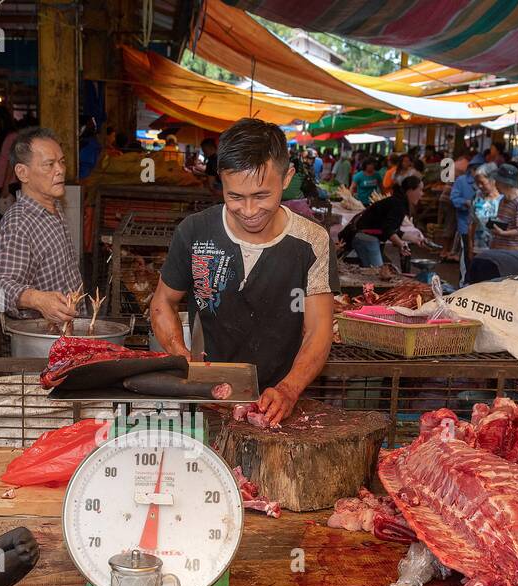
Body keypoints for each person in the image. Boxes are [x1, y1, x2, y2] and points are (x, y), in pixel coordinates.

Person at [149, 117, 338, 425]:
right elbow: (162, 303)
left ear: (287, 177)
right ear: (221, 182)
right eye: (235, 196)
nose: (249, 211)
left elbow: (318, 329)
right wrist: (180, 354)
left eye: (261, 195)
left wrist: (289, 389)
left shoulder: (312, 240)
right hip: (207, 398)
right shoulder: (194, 231)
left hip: (280, 401)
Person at [0, 127, 85, 329]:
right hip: (42, 343)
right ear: (22, 173)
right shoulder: (19, 222)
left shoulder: (53, 209)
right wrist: (38, 300)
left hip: (66, 334)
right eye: (49, 165)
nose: (59, 170)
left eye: (61, 161)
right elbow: (0, 288)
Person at [339, 174, 424, 268]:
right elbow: (388, 230)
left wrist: (415, 239)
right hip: (364, 237)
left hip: (365, 236)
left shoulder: (398, 202)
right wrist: (400, 244)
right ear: (410, 190)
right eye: (420, 190)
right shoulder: (398, 205)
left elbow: (392, 229)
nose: (422, 194)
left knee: (378, 271)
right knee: (377, 272)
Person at [489, 163, 518, 253]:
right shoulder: (503, 199)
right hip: (503, 251)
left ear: (505, 184)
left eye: (498, 182)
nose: (495, 185)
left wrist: (503, 233)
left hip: (517, 254)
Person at [466, 162, 502, 265]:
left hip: (497, 249)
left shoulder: (502, 199)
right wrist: (470, 247)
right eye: (477, 183)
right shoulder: (477, 197)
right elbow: (472, 223)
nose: (479, 186)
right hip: (478, 247)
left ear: (492, 180)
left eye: (482, 182)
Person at [447, 151, 475, 277]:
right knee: (466, 258)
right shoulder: (462, 181)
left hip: (480, 232)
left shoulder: (487, 184)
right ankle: (464, 284)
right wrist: (466, 202)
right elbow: (454, 198)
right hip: (465, 225)